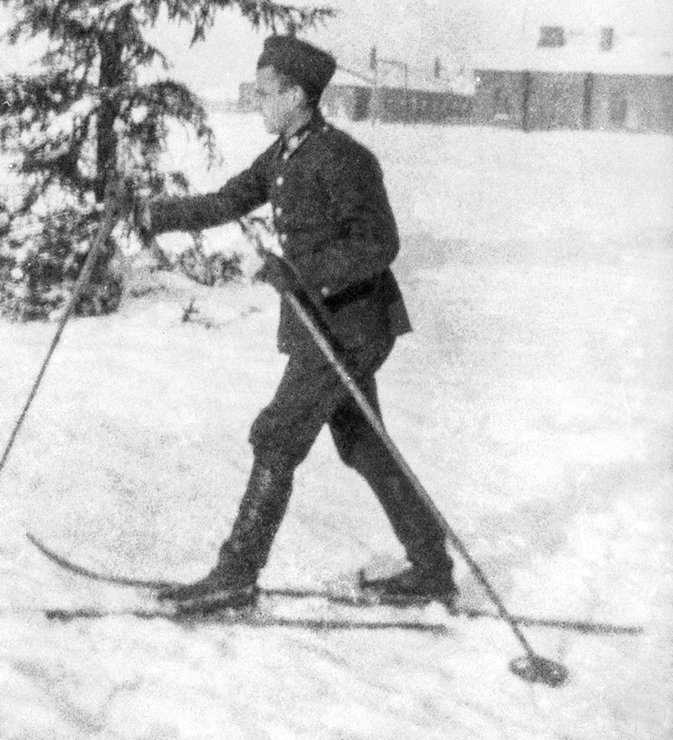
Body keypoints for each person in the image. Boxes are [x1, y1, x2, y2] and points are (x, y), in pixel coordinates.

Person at [135, 34, 456, 614]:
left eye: (265, 93)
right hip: (325, 326)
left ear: (297, 95)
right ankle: (432, 568)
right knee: (364, 446)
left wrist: (303, 273)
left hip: (351, 326)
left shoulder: (344, 158)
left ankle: (235, 575)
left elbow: (379, 243)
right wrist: (151, 214)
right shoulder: (284, 154)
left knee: (278, 437)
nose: (257, 101)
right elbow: (228, 200)